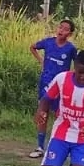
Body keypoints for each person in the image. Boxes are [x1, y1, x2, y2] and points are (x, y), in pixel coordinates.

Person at [29, 19, 78, 157]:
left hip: (61, 87)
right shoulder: (48, 42)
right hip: (45, 83)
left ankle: (60, 146)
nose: (61, 30)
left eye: (65, 29)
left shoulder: (71, 49)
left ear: (70, 33)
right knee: (42, 114)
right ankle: (39, 147)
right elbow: (32, 47)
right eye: (60, 27)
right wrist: (41, 60)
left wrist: (73, 78)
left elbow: (78, 63)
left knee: (61, 116)